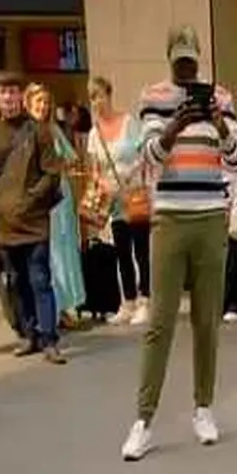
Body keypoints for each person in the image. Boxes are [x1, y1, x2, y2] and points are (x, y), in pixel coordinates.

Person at [121, 25, 237, 461]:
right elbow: (150, 155)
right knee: (160, 321)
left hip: (211, 218)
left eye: (191, 61)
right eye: (180, 62)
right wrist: (178, 122)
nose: (187, 69)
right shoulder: (153, 97)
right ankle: (144, 419)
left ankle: (203, 407)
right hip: (170, 218)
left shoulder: (220, 98)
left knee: (207, 320)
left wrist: (215, 119)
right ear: (170, 59)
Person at [0, 71, 66, 363]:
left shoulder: (38, 131)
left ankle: (50, 338)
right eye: (2, 92)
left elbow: (52, 173)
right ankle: (29, 334)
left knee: (40, 279)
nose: (8, 97)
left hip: (34, 219)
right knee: (16, 282)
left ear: (20, 95)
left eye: (12, 91)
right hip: (6, 221)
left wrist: (30, 199)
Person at [88, 75, 149, 325]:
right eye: (92, 98)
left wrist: (128, 176)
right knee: (122, 251)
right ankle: (129, 301)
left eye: (100, 96)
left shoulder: (129, 123)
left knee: (141, 249)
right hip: (113, 199)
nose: (97, 102)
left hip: (133, 193)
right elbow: (95, 167)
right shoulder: (94, 133)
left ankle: (146, 300)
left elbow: (144, 156)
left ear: (109, 95)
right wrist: (100, 184)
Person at [25, 83, 87, 328]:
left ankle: (65, 306)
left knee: (65, 251)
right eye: (38, 102)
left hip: (61, 199)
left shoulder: (53, 130)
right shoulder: (26, 132)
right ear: (28, 104)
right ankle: (52, 308)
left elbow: (72, 160)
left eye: (46, 102)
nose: (43, 106)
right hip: (41, 200)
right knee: (49, 255)